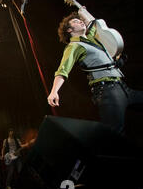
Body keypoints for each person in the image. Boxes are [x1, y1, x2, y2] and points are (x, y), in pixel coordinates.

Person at [47, 7, 143, 135]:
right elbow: (62, 70)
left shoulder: (91, 40)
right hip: (108, 91)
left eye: (80, 20)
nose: (80, 21)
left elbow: (94, 23)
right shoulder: (74, 46)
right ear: (69, 30)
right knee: (114, 134)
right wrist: (54, 92)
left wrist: (82, 12)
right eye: (76, 21)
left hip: (123, 88)